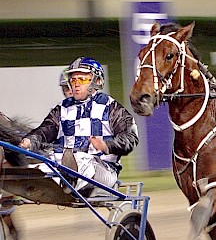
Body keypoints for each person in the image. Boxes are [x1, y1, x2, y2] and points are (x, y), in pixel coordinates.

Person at [19, 57, 139, 197]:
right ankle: (56, 181)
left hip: (103, 171)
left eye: (82, 80)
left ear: (97, 81)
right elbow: (45, 130)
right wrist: (29, 141)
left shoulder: (111, 107)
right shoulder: (62, 108)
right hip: (63, 165)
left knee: (79, 158)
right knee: (35, 166)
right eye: (73, 80)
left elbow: (131, 138)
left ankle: (67, 181)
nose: (76, 85)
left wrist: (107, 146)